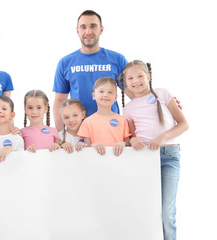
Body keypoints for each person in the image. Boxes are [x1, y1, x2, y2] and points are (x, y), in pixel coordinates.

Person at [119, 60, 189, 240]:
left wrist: (162, 137)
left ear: (148, 77)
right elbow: (130, 136)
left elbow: (184, 124)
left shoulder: (163, 94)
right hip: (144, 159)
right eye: (131, 78)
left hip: (169, 157)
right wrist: (132, 139)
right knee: (147, 210)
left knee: (167, 212)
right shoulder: (128, 109)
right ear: (125, 82)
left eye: (140, 76)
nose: (136, 81)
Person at [52, 10, 129, 131]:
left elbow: (133, 93)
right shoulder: (65, 62)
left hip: (112, 128)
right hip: (79, 131)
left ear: (101, 29)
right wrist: (61, 134)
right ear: (77, 31)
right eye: (83, 27)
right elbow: (59, 100)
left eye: (93, 26)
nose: (88, 31)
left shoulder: (117, 59)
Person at [78, 77, 131, 156]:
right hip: (96, 163)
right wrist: (93, 146)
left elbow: (129, 146)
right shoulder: (87, 122)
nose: (105, 95)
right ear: (94, 96)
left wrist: (123, 144)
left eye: (110, 92)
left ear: (115, 97)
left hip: (118, 163)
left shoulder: (123, 120)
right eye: (101, 91)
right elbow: (86, 149)